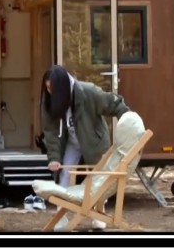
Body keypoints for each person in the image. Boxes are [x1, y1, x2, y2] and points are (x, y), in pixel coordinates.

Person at [39, 64, 133, 230]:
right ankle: (61, 216)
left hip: (94, 142)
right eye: (47, 88)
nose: (49, 92)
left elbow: (114, 104)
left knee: (99, 178)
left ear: (62, 87)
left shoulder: (88, 92)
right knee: (64, 174)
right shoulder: (49, 100)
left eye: (52, 88)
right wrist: (53, 158)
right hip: (72, 142)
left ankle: (99, 213)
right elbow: (51, 132)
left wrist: (128, 121)